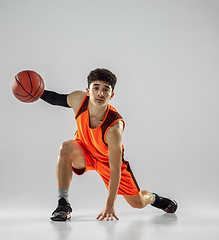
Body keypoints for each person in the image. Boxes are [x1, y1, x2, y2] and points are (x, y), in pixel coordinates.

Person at [40, 68, 177, 221]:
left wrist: (110, 204)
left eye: (106, 90)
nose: (100, 93)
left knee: (137, 203)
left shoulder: (113, 128)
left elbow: (115, 169)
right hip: (85, 152)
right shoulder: (78, 100)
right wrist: (36, 93)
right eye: (96, 88)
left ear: (111, 95)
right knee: (66, 147)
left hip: (108, 163)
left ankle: (153, 198)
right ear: (87, 91)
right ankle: (63, 204)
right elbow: (56, 98)